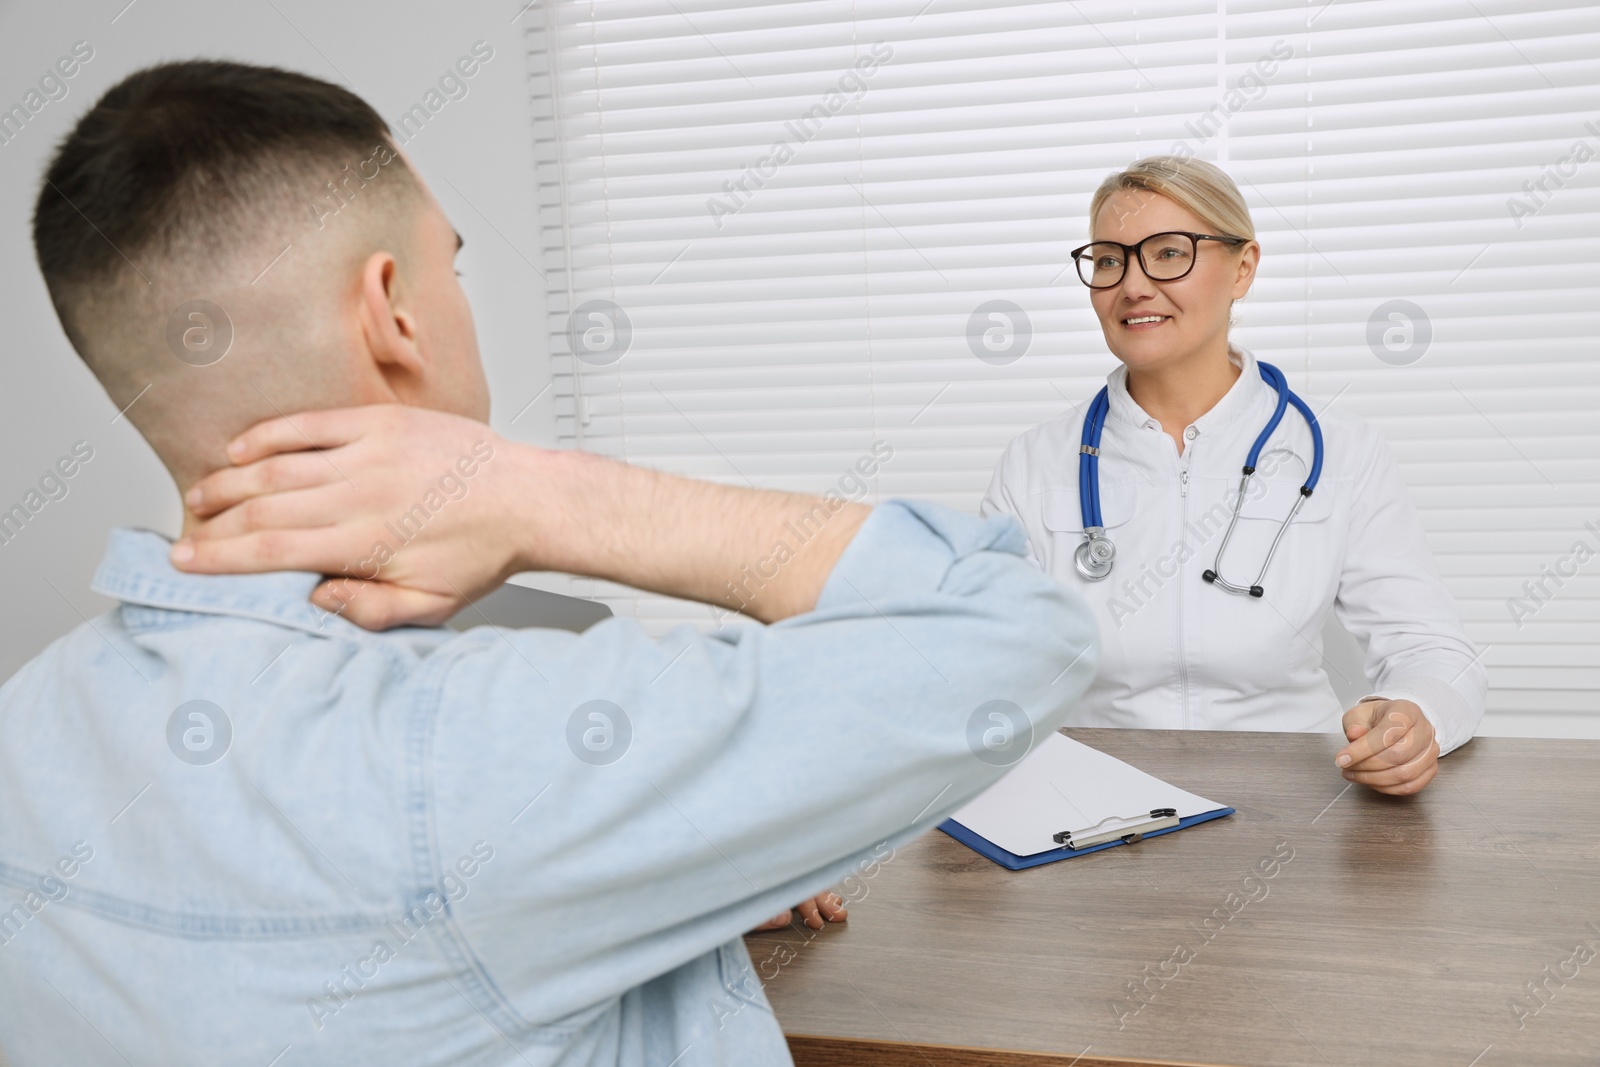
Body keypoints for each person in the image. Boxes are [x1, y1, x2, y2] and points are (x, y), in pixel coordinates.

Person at [1, 60, 1098, 1064]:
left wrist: (649, 872)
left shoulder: (28, 727)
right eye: (452, 268)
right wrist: (528, 487)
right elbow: (1018, 627)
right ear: (392, 313)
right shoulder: (488, 751)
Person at [982, 156, 1486, 797]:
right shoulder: (1033, 463)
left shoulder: (1342, 451)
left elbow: (1431, 648)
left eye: (1168, 253)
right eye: (1110, 260)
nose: (1133, 285)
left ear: (1243, 267)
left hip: (1291, 804)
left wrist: (1419, 717)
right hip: (1096, 808)